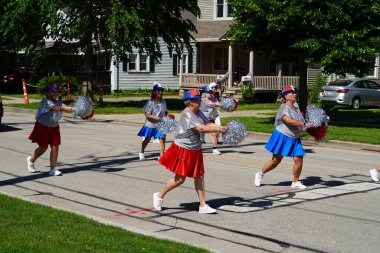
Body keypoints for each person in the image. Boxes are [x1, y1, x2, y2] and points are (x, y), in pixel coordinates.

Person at [153, 89, 227, 214]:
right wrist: (219, 129)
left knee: (199, 176)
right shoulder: (186, 114)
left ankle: (203, 205)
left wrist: (222, 127)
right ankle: (159, 195)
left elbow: (208, 124)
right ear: (189, 103)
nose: (199, 101)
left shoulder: (199, 112)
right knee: (180, 179)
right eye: (195, 99)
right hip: (183, 149)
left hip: (195, 149)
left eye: (199, 98)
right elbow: (201, 129)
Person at [254, 85, 312, 189]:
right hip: (283, 136)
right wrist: (303, 124)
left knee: (299, 159)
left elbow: (301, 122)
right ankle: (260, 173)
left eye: (295, 92)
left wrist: (311, 126)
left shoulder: (296, 107)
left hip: (295, 138)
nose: (294, 94)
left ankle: (295, 182)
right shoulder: (283, 107)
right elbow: (288, 120)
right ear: (286, 96)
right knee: (275, 161)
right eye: (291, 92)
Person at [27, 83, 74, 176]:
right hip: (42, 126)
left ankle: (53, 169)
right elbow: (56, 108)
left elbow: (66, 108)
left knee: (55, 147)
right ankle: (31, 160)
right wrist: (68, 108)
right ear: (47, 93)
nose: (54, 94)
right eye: (52, 92)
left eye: (55, 92)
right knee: (43, 147)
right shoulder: (45, 101)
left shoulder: (59, 102)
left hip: (54, 127)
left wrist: (81, 111)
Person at [137, 83, 167, 160]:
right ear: (154, 92)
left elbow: (165, 112)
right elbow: (147, 114)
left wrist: (167, 116)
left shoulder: (163, 101)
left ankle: (162, 156)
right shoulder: (151, 102)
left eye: (161, 91)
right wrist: (156, 118)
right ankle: (141, 152)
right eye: (158, 91)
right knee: (147, 139)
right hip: (151, 124)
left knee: (162, 138)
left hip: (161, 123)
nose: (160, 92)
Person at [199, 86, 222, 155]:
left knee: (215, 133)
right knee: (200, 136)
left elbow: (214, 109)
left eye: (211, 93)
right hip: (201, 120)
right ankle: (198, 149)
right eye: (208, 93)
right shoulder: (202, 101)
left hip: (210, 120)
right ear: (205, 93)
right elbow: (213, 105)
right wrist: (221, 104)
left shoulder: (212, 100)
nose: (210, 94)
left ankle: (214, 149)